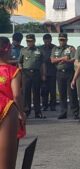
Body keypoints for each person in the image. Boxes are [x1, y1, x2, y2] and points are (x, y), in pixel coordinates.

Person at [0, 36, 26, 169]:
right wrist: (21, 113)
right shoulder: (12, 70)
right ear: (8, 49)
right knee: (6, 161)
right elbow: (16, 95)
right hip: (6, 109)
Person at [51, 33, 79, 119]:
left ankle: (75, 112)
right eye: (60, 39)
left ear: (66, 40)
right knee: (61, 93)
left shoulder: (71, 48)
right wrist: (62, 58)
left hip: (69, 72)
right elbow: (52, 60)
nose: (61, 41)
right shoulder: (55, 48)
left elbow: (74, 58)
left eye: (63, 39)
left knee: (72, 93)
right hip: (59, 73)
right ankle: (63, 112)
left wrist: (68, 60)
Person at [19, 34, 46, 118]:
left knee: (36, 92)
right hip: (26, 73)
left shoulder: (39, 50)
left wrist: (43, 74)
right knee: (26, 93)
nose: (29, 42)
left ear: (34, 41)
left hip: (36, 73)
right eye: (27, 41)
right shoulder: (23, 50)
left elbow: (43, 63)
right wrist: (20, 71)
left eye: (30, 41)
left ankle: (37, 111)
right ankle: (26, 111)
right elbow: (20, 62)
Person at [40, 34, 57, 111]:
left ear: (51, 39)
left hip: (53, 71)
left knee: (52, 90)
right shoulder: (40, 49)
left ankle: (53, 105)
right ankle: (44, 105)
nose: (47, 41)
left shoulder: (55, 48)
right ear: (43, 40)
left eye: (48, 39)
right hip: (43, 72)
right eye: (45, 39)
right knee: (44, 90)